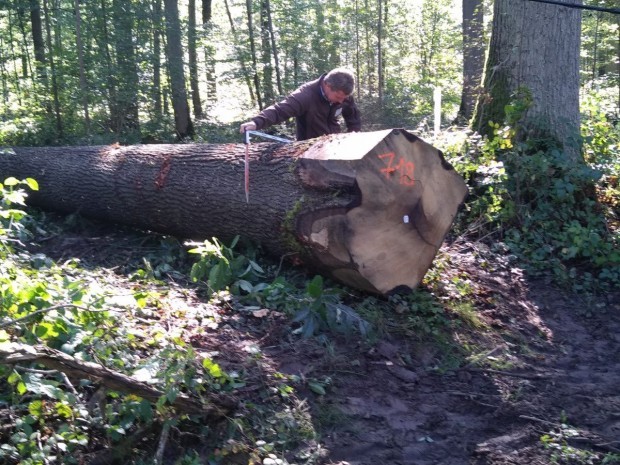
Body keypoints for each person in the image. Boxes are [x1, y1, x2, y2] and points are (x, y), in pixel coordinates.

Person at [239, 67, 361, 141]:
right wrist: (256, 122)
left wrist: (353, 134)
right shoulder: (305, 96)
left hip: (334, 146)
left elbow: (353, 117)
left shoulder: (343, 94)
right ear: (327, 85)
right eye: (338, 97)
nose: (341, 101)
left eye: (344, 98)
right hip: (310, 152)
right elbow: (280, 110)